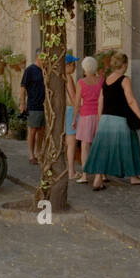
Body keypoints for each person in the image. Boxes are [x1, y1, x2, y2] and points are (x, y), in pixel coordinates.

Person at [84, 51, 140, 190]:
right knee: (129, 146)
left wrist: (101, 119)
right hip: (120, 120)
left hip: (106, 119)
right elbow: (130, 100)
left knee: (103, 150)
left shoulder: (105, 80)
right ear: (124, 65)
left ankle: (98, 179)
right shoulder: (124, 80)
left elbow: (100, 101)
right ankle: (133, 177)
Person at [74, 56, 103, 184]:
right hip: (98, 116)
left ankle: (85, 175)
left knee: (85, 146)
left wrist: (74, 118)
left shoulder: (81, 82)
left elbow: (77, 102)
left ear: (85, 68)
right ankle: (101, 174)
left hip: (85, 116)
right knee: (99, 146)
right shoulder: (101, 81)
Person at [18, 50, 46, 164]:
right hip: (33, 105)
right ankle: (31, 154)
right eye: (43, 57)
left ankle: (39, 152)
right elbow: (23, 88)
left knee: (41, 131)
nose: (45, 60)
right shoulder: (30, 70)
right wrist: (22, 103)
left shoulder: (45, 70)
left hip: (44, 105)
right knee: (33, 130)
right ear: (38, 57)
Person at [62, 54, 81, 182]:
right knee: (71, 142)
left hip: (66, 110)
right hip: (70, 111)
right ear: (67, 65)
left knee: (69, 142)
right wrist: (81, 107)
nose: (74, 67)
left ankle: (69, 170)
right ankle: (71, 171)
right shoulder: (68, 77)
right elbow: (73, 97)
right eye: (73, 64)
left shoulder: (61, 77)